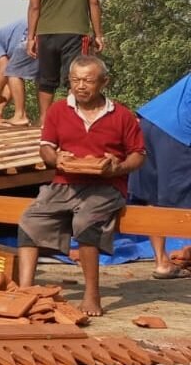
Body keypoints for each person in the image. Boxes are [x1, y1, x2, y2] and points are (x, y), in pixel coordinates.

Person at [16, 56, 145, 316]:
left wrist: (117, 167)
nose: (81, 86)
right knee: (30, 219)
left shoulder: (121, 115)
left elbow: (138, 154)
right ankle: (25, 291)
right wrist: (56, 158)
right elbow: (46, 148)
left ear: (104, 82)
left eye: (88, 80)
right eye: (75, 80)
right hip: (66, 182)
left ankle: (92, 294)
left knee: (85, 221)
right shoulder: (58, 110)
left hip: (107, 187)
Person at [23, 0, 103, 122]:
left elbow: (34, 7)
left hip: (46, 34)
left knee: (46, 80)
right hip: (75, 33)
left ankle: (44, 121)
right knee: (75, 78)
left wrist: (31, 38)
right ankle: (73, 120)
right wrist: (99, 34)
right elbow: (93, 3)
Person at [131, 71, 191, 279]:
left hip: (149, 120)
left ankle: (162, 262)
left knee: (153, 194)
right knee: (180, 198)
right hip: (178, 130)